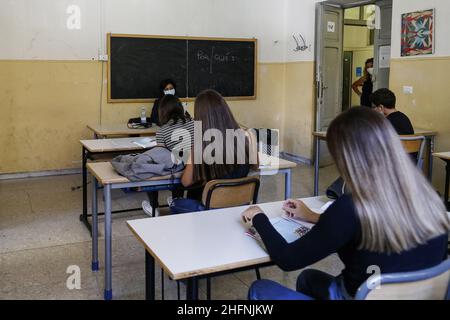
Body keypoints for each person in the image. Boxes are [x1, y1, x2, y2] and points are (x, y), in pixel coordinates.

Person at [243, 107, 449, 300]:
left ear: (348, 159)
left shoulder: (351, 208)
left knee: (260, 290)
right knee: (307, 279)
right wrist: (311, 216)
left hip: (357, 295)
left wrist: (259, 217)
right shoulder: (431, 199)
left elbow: (287, 259)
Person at [170, 89, 253, 214]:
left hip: (208, 209)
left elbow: (186, 182)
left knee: (175, 203)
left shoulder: (202, 146)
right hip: (237, 206)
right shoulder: (244, 139)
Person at [141, 94, 194, 216]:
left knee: (155, 164)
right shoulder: (194, 123)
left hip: (179, 170)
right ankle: (176, 200)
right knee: (180, 159)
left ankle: (154, 206)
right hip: (195, 167)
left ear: (162, 111)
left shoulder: (162, 130)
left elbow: (161, 153)